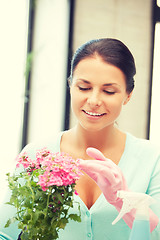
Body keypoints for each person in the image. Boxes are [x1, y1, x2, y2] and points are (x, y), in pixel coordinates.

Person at [0, 38, 160, 239]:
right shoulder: (35, 155)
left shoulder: (153, 159)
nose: (93, 101)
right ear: (70, 86)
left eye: (109, 91)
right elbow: (6, 233)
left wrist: (122, 200)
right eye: (83, 88)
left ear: (128, 95)